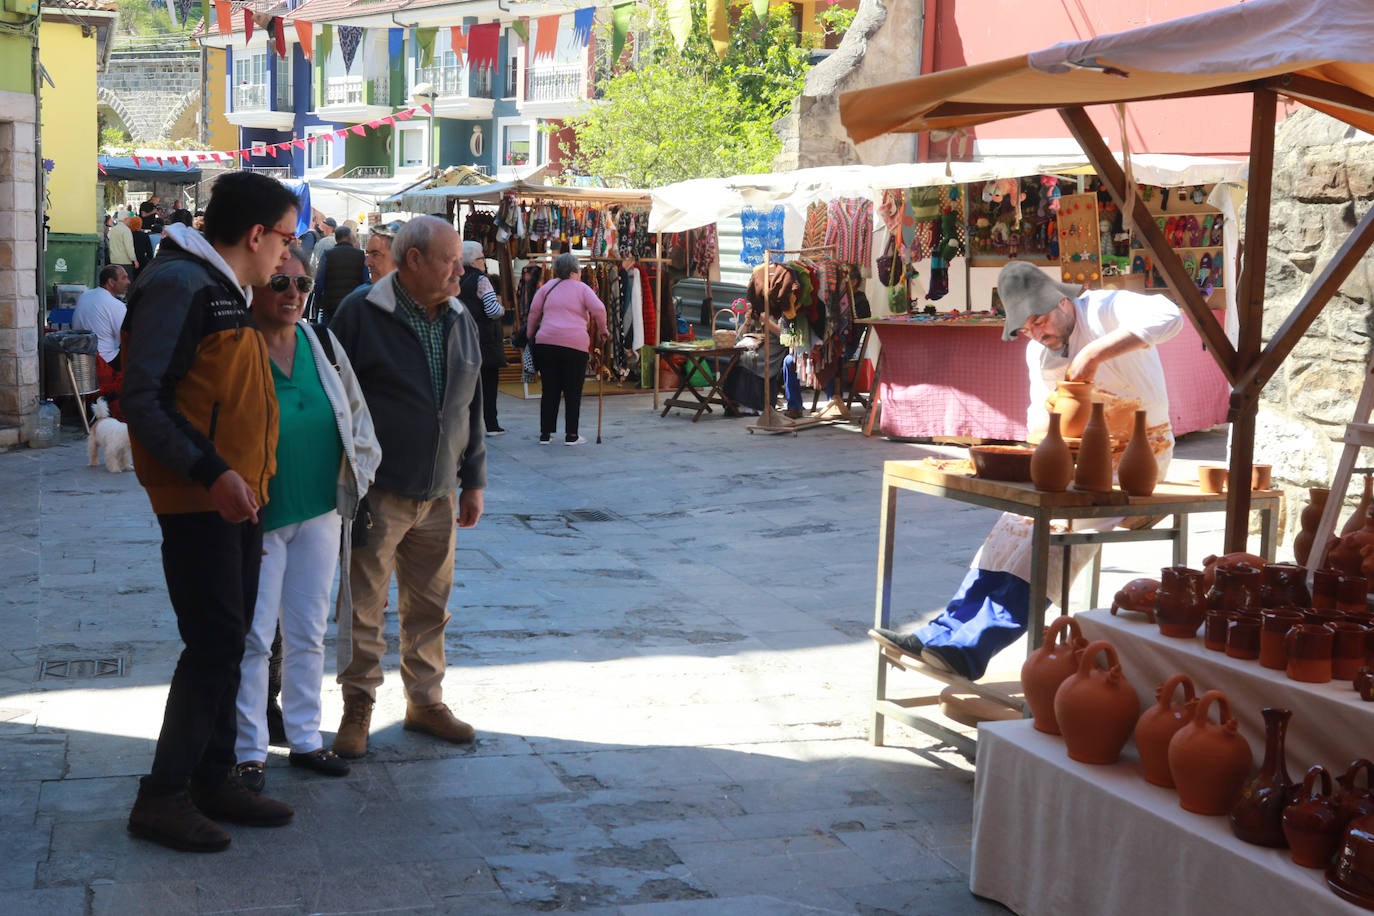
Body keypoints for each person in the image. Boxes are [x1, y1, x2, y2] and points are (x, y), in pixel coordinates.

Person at [871, 260, 1182, 680]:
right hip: (1075, 459)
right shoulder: (1039, 352)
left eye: (1039, 320)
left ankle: (971, 650)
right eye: (1025, 328)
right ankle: (939, 634)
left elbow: (1170, 315)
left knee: (1054, 538)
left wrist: (1091, 354)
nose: (1036, 333)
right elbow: (1042, 423)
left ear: (1062, 302)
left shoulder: (1105, 308)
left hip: (1139, 457)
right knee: (1009, 532)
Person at [120, 170, 301, 853]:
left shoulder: (222, 287)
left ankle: (214, 777)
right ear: (255, 235)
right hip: (200, 498)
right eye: (285, 238)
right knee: (215, 644)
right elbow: (144, 399)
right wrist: (213, 471)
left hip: (234, 496)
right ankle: (162, 797)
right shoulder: (181, 284)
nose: (288, 253)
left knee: (234, 640)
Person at [327, 215, 486, 758]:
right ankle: (358, 705)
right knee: (363, 607)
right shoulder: (361, 312)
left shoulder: (460, 316)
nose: (460, 270)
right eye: (450, 261)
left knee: (431, 606)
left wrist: (473, 480)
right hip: (378, 491)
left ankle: (425, 702)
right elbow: (335, 402)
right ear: (413, 260)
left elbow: (471, 404)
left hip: (439, 492)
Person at [232, 250, 379, 794]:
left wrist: (360, 477)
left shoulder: (322, 343)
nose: (293, 293)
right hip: (259, 516)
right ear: (255, 286)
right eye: (280, 282)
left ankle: (305, 739)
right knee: (254, 638)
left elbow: (357, 416)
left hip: (321, 510)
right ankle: (248, 751)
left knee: (308, 631)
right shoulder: (235, 346)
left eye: (301, 283)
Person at [525, 253, 608, 445]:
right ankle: (571, 435)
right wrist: (603, 330)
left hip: (546, 343)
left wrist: (530, 336)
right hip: (575, 345)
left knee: (549, 389)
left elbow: (534, 312)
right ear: (573, 271)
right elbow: (599, 309)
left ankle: (545, 434)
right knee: (573, 390)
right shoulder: (582, 289)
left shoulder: (547, 287)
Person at [459, 241, 507, 435]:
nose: (484, 262)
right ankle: (491, 424)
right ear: (472, 261)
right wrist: (502, 309)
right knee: (488, 383)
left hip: (463, 337)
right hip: (485, 339)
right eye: (481, 258)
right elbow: (492, 310)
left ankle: (468, 425)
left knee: (467, 384)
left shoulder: (456, 279)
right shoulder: (482, 280)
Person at [73, 265, 130, 412]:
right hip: (104, 361)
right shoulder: (116, 305)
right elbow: (126, 340)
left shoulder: (85, 295)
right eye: (124, 278)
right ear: (111, 282)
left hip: (80, 358)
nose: (128, 281)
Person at [313, 225, 367, 324]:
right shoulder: (360, 255)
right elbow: (365, 281)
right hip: (353, 306)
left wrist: (317, 302)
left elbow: (319, 281)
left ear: (336, 239)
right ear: (350, 237)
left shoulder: (327, 255)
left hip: (331, 306)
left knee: (330, 332)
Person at [128, 216, 153, 281]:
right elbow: (149, 252)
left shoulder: (128, 235)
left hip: (130, 262)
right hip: (142, 261)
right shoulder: (144, 235)